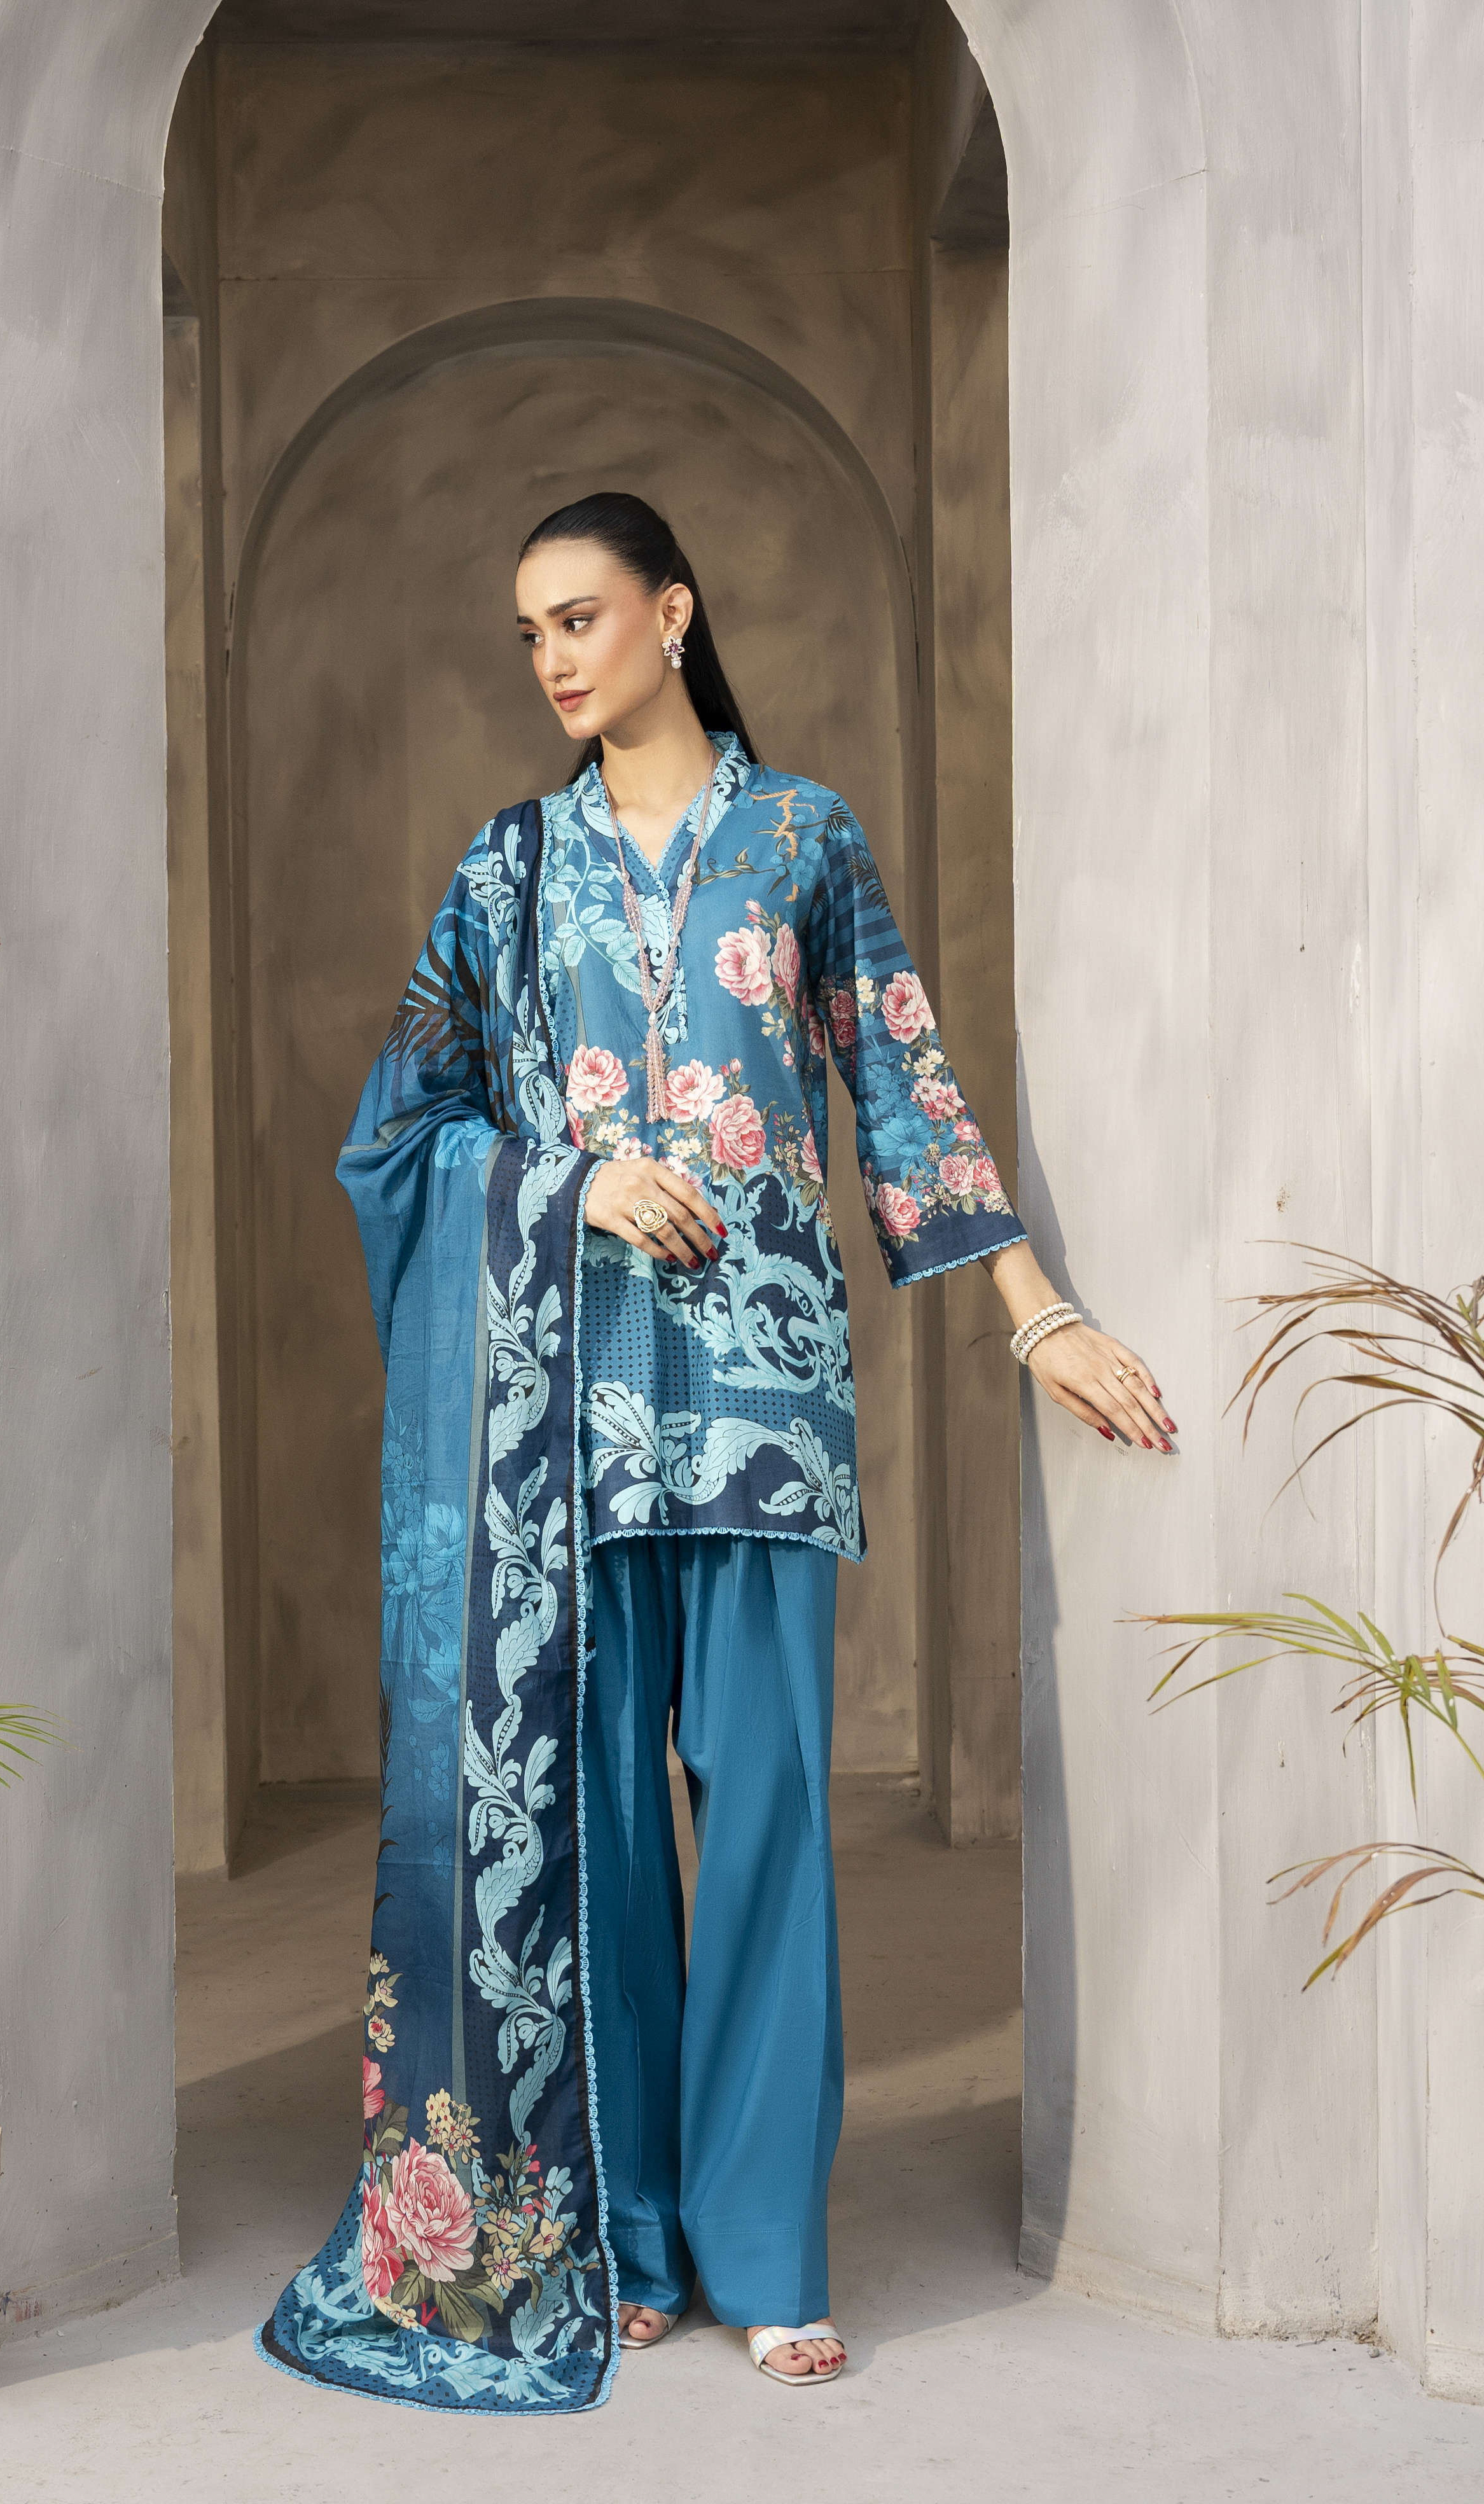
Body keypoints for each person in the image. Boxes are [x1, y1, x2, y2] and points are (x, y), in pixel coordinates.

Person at [258, 492, 1171, 2417]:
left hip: (766, 1419)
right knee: (594, 1848)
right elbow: (400, 1133)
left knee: (762, 1825)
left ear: (673, 614)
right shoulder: (508, 873)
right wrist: (574, 1185)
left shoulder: (802, 840)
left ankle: (765, 2256)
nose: (553, 659)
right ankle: (631, 2236)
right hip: (568, 1431)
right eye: (529, 633)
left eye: (580, 618)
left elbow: (904, 1084)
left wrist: (1041, 1317)